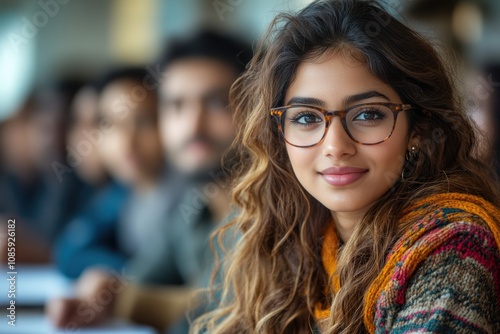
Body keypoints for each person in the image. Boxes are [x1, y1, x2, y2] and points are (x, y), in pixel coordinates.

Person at [193, 1, 500, 333]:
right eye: (307, 118)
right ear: (279, 136)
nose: (335, 146)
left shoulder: (456, 247)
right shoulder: (297, 239)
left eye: (368, 114)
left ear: (418, 130)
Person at [48, 30, 252, 333]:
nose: (193, 125)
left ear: (255, 108)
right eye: (177, 105)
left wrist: (126, 301)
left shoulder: (269, 211)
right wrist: (100, 294)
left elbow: (225, 314)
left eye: (215, 103)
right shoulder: (196, 205)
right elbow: (141, 277)